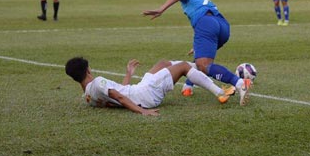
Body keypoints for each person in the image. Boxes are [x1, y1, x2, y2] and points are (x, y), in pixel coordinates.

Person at [142, 0, 252, 105]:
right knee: (200, 60)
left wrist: (161, 9)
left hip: (206, 23)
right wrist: (198, 45)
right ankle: (188, 87)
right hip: (223, 26)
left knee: (204, 66)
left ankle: (239, 83)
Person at [65, 57, 236, 116]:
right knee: (183, 66)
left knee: (163, 63)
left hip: (138, 91)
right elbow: (119, 97)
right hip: (145, 95)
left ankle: (202, 70)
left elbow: (119, 93)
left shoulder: (87, 96)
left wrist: (128, 74)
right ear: (88, 70)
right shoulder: (97, 82)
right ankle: (220, 92)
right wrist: (142, 111)